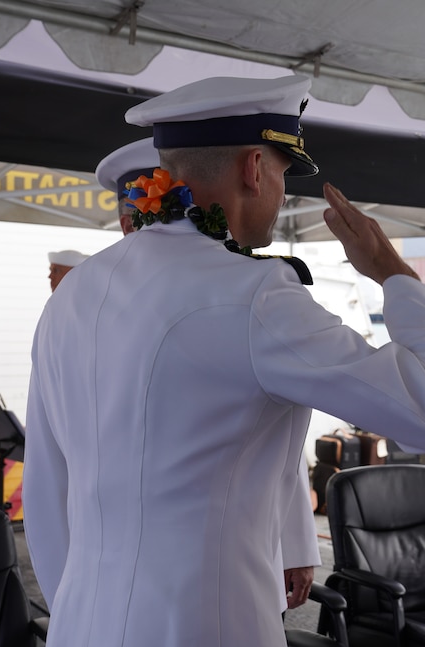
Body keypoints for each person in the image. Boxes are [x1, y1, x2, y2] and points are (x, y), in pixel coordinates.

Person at [22, 74, 425, 647]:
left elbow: (46, 491)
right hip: (203, 644)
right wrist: (392, 272)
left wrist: (83, 602)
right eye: (285, 175)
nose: (282, 195)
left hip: (84, 632)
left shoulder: (73, 293)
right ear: (253, 167)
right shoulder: (254, 296)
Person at [95, 136, 321, 609]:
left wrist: (297, 543)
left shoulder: (249, 295)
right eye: (149, 215)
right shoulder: (89, 308)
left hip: (226, 574)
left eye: (171, 210)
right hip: (115, 575)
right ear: (124, 223)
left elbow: (282, 437)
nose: (164, 225)